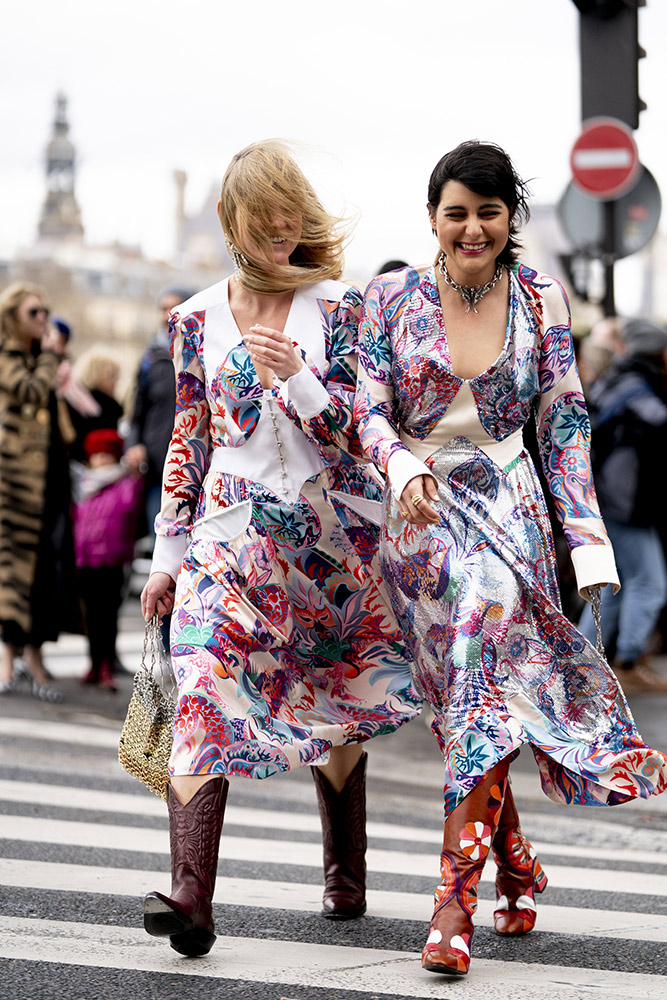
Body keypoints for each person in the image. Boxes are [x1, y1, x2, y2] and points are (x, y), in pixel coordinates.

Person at [353, 140, 667, 977]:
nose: (471, 228)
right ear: (431, 218)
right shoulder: (389, 298)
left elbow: (564, 427)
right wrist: (399, 464)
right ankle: (515, 862)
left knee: (483, 676)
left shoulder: (542, 300)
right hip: (417, 523)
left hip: (506, 509)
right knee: (464, 705)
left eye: (488, 212)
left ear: (509, 220)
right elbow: (367, 410)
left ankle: (451, 902)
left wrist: (588, 540)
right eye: (455, 211)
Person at [140, 140, 420, 958]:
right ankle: (191, 894)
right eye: (262, 216)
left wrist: (299, 378)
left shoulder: (343, 310)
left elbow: (364, 432)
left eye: (289, 215)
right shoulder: (194, 319)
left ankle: (344, 868)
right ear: (233, 219)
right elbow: (187, 438)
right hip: (227, 546)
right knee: (200, 688)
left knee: (336, 705)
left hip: (329, 547)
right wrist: (166, 556)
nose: (277, 230)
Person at [0, 283, 80, 700]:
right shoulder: (8, 355)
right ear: (13, 316)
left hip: (50, 477)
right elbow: (27, 390)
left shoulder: (42, 359)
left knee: (48, 569)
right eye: (34, 312)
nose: (43, 319)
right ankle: (8, 660)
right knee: (12, 571)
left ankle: (34, 658)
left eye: (45, 311)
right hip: (14, 482)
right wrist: (50, 358)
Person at [578, 318, 667, 693]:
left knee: (610, 584)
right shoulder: (635, 386)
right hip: (623, 503)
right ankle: (627, 660)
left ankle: (581, 663)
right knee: (648, 583)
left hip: (609, 498)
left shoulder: (623, 380)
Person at [73, 428, 144, 691]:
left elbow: (131, 507)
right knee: (90, 616)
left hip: (112, 561)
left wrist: (136, 474)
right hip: (86, 560)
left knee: (108, 614)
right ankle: (93, 662)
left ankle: (106, 664)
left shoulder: (125, 484)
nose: (100, 461)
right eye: (96, 456)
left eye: (106, 456)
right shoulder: (84, 486)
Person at [125, 286, 195, 540]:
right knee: (162, 544)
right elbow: (137, 413)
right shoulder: (151, 360)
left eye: (173, 308)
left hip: (197, 471)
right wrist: (134, 446)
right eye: (163, 308)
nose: (167, 315)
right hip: (157, 471)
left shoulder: (206, 355)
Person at [67, 351, 124, 463]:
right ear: (97, 376)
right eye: (112, 376)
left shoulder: (82, 403)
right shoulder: (104, 408)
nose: (116, 381)